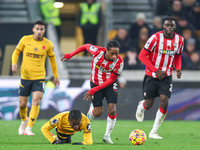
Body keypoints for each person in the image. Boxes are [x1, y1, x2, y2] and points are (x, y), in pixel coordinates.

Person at [61, 40, 124, 144]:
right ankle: (93, 110)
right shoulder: (98, 51)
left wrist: (93, 90)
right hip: (95, 83)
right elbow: (85, 46)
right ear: (106, 50)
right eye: (112, 53)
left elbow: (111, 79)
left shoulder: (119, 62)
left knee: (112, 109)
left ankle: (107, 136)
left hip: (110, 85)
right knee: (98, 113)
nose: (114, 56)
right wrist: (71, 55)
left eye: (117, 53)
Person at [135, 17, 184, 139]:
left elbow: (177, 56)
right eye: (167, 25)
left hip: (166, 76)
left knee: (164, 101)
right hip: (152, 75)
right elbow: (142, 56)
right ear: (163, 26)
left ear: (174, 27)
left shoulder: (180, 40)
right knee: (149, 104)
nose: (169, 27)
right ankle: (142, 106)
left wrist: (178, 68)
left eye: (172, 26)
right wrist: (156, 70)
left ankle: (154, 132)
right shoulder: (155, 38)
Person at [11, 20, 60, 136]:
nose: (39, 31)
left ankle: (29, 128)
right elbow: (16, 52)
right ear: (33, 30)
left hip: (39, 77)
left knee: (36, 100)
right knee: (22, 104)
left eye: (41, 29)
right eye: (37, 29)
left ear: (44, 31)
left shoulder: (48, 44)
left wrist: (56, 76)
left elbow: (52, 60)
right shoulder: (25, 39)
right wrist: (14, 63)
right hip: (26, 77)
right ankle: (24, 121)